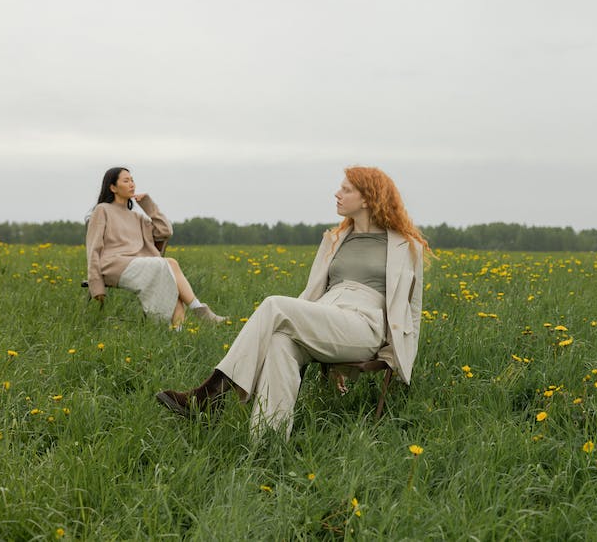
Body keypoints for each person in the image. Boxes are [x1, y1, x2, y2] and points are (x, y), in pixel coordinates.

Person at [155, 166, 430, 440]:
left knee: (275, 305)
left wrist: (398, 359)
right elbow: (313, 293)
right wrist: (318, 335)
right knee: (279, 342)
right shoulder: (334, 240)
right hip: (327, 315)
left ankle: (210, 394)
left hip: (364, 324)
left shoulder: (405, 246)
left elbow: (412, 312)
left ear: (368, 198)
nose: (337, 193)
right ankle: (268, 442)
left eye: (346, 190)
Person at [86, 167, 226, 327]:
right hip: (113, 266)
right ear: (113, 187)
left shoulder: (137, 217)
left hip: (139, 265)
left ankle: (179, 330)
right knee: (165, 265)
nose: (132, 184)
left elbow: (165, 231)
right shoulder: (102, 210)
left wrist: (148, 205)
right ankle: (199, 311)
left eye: (132, 180)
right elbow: (93, 248)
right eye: (126, 181)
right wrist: (96, 285)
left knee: (170, 269)